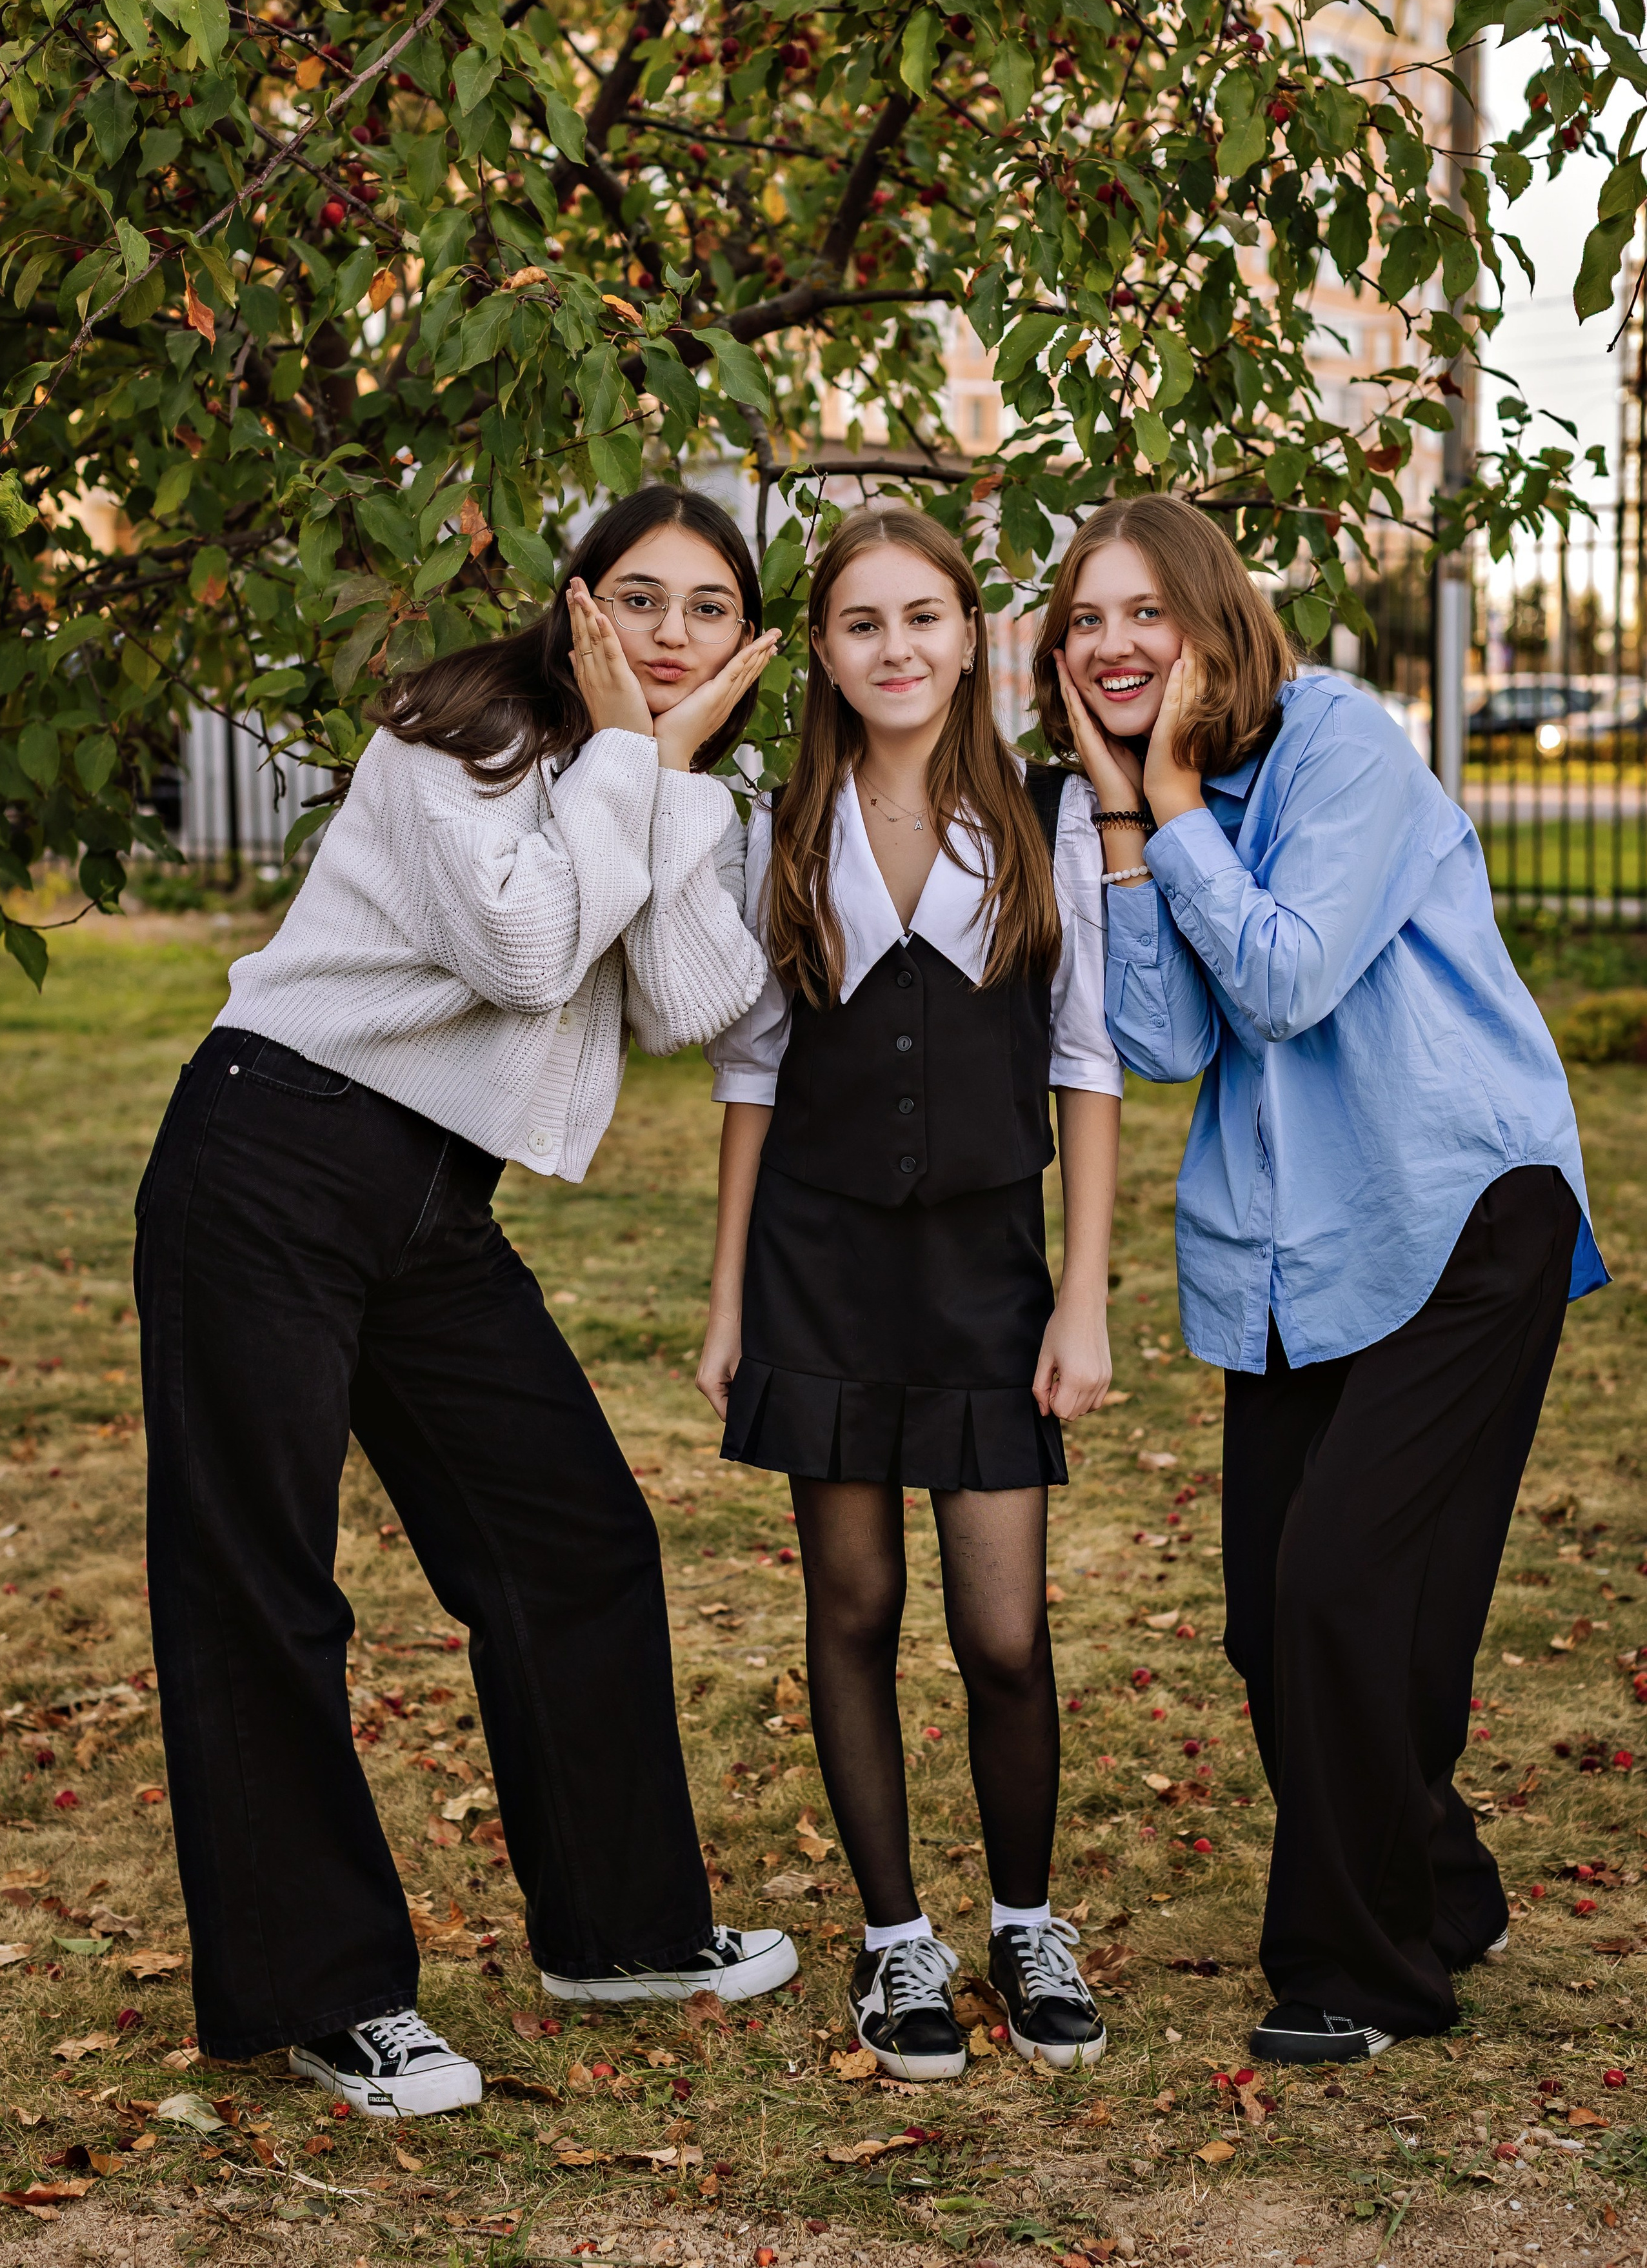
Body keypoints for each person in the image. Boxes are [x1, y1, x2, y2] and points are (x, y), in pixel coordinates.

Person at [135, 484, 800, 2117]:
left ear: (743, 640)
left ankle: (622, 1933)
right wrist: (636, 762)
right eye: (638, 596)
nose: (669, 632)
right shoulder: (454, 739)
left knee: (571, 1538)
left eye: (708, 608)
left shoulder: (652, 781)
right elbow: (522, 952)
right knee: (260, 1580)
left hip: (433, 1204)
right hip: (273, 1155)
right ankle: (329, 1995)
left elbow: (693, 999)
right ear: (576, 603)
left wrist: (668, 774)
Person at [1036, 495, 1606, 2067]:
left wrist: (1167, 804)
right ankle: (1439, 1888)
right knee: (1266, 1624)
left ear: (1210, 614)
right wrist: (1125, 821)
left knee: (1341, 1587)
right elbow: (1167, 1041)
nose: (1111, 645)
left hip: (1451, 1208)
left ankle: (1363, 1974)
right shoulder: (1148, 796)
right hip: (1293, 1247)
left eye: (1142, 611)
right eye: (1083, 620)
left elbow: (1283, 983)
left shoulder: (1337, 741)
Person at [697, 504, 1123, 2082]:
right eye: (862, 622)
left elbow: (1086, 1063)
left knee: (1000, 1633)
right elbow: (751, 1072)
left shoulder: (1046, 819)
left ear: (968, 635)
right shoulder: (774, 828)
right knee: (855, 1607)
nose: (896, 649)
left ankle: (1025, 1922)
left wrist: (1081, 1299)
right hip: (817, 1268)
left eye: (923, 617)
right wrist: (727, 1303)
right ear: (821, 649)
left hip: (983, 1278)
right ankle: (894, 1942)